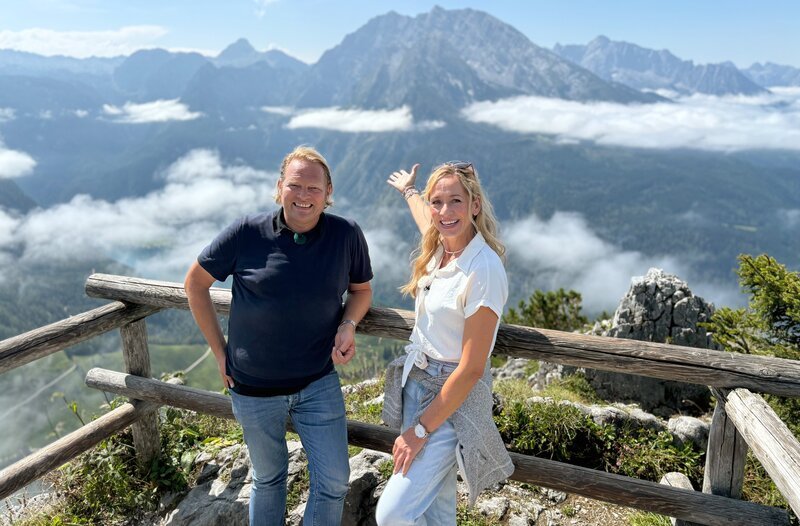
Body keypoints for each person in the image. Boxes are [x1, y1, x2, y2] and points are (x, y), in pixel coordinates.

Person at [184, 145, 373, 526]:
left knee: (334, 480)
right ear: (279, 187)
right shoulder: (246, 233)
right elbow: (195, 284)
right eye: (295, 185)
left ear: (328, 193)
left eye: (314, 189)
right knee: (269, 479)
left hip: (318, 381)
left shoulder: (346, 234)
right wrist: (220, 354)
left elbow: (362, 290)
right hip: (253, 389)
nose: (304, 196)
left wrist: (348, 324)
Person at [376, 161, 514, 525]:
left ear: (475, 205)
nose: (444, 212)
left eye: (456, 201)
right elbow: (428, 217)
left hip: (449, 399)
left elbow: (470, 368)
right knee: (436, 509)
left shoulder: (482, 269)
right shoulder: (442, 246)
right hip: (417, 384)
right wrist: (410, 191)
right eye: (437, 202)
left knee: (392, 514)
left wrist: (420, 430)